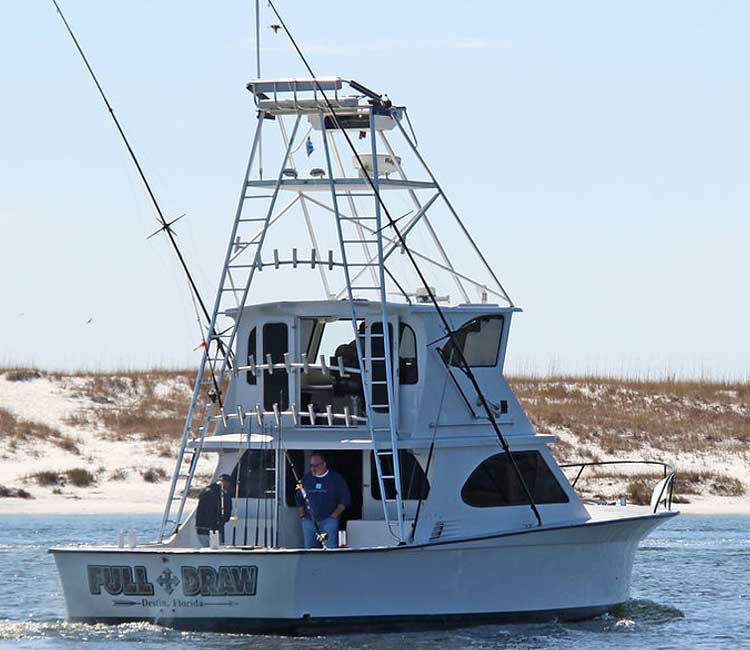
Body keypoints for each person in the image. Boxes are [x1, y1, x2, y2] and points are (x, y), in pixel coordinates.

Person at [295, 451, 351, 549]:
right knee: (310, 550)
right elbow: (299, 498)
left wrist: (333, 516)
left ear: (324, 464)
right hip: (309, 522)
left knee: (330, 549)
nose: (313, 468)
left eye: (316, 465)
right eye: (311, 465)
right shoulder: (306, 479)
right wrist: (302, 516)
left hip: (329, 522)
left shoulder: (336, 479)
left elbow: (345, 500)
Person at [195, 474, 233, 547]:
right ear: (226, 482)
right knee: (216, 549)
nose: (228, 486)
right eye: (228, 483)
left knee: (207, 549)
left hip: (201, 529)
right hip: (214, 530)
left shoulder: (206, 490)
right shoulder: (223, 494)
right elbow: (226, 513)